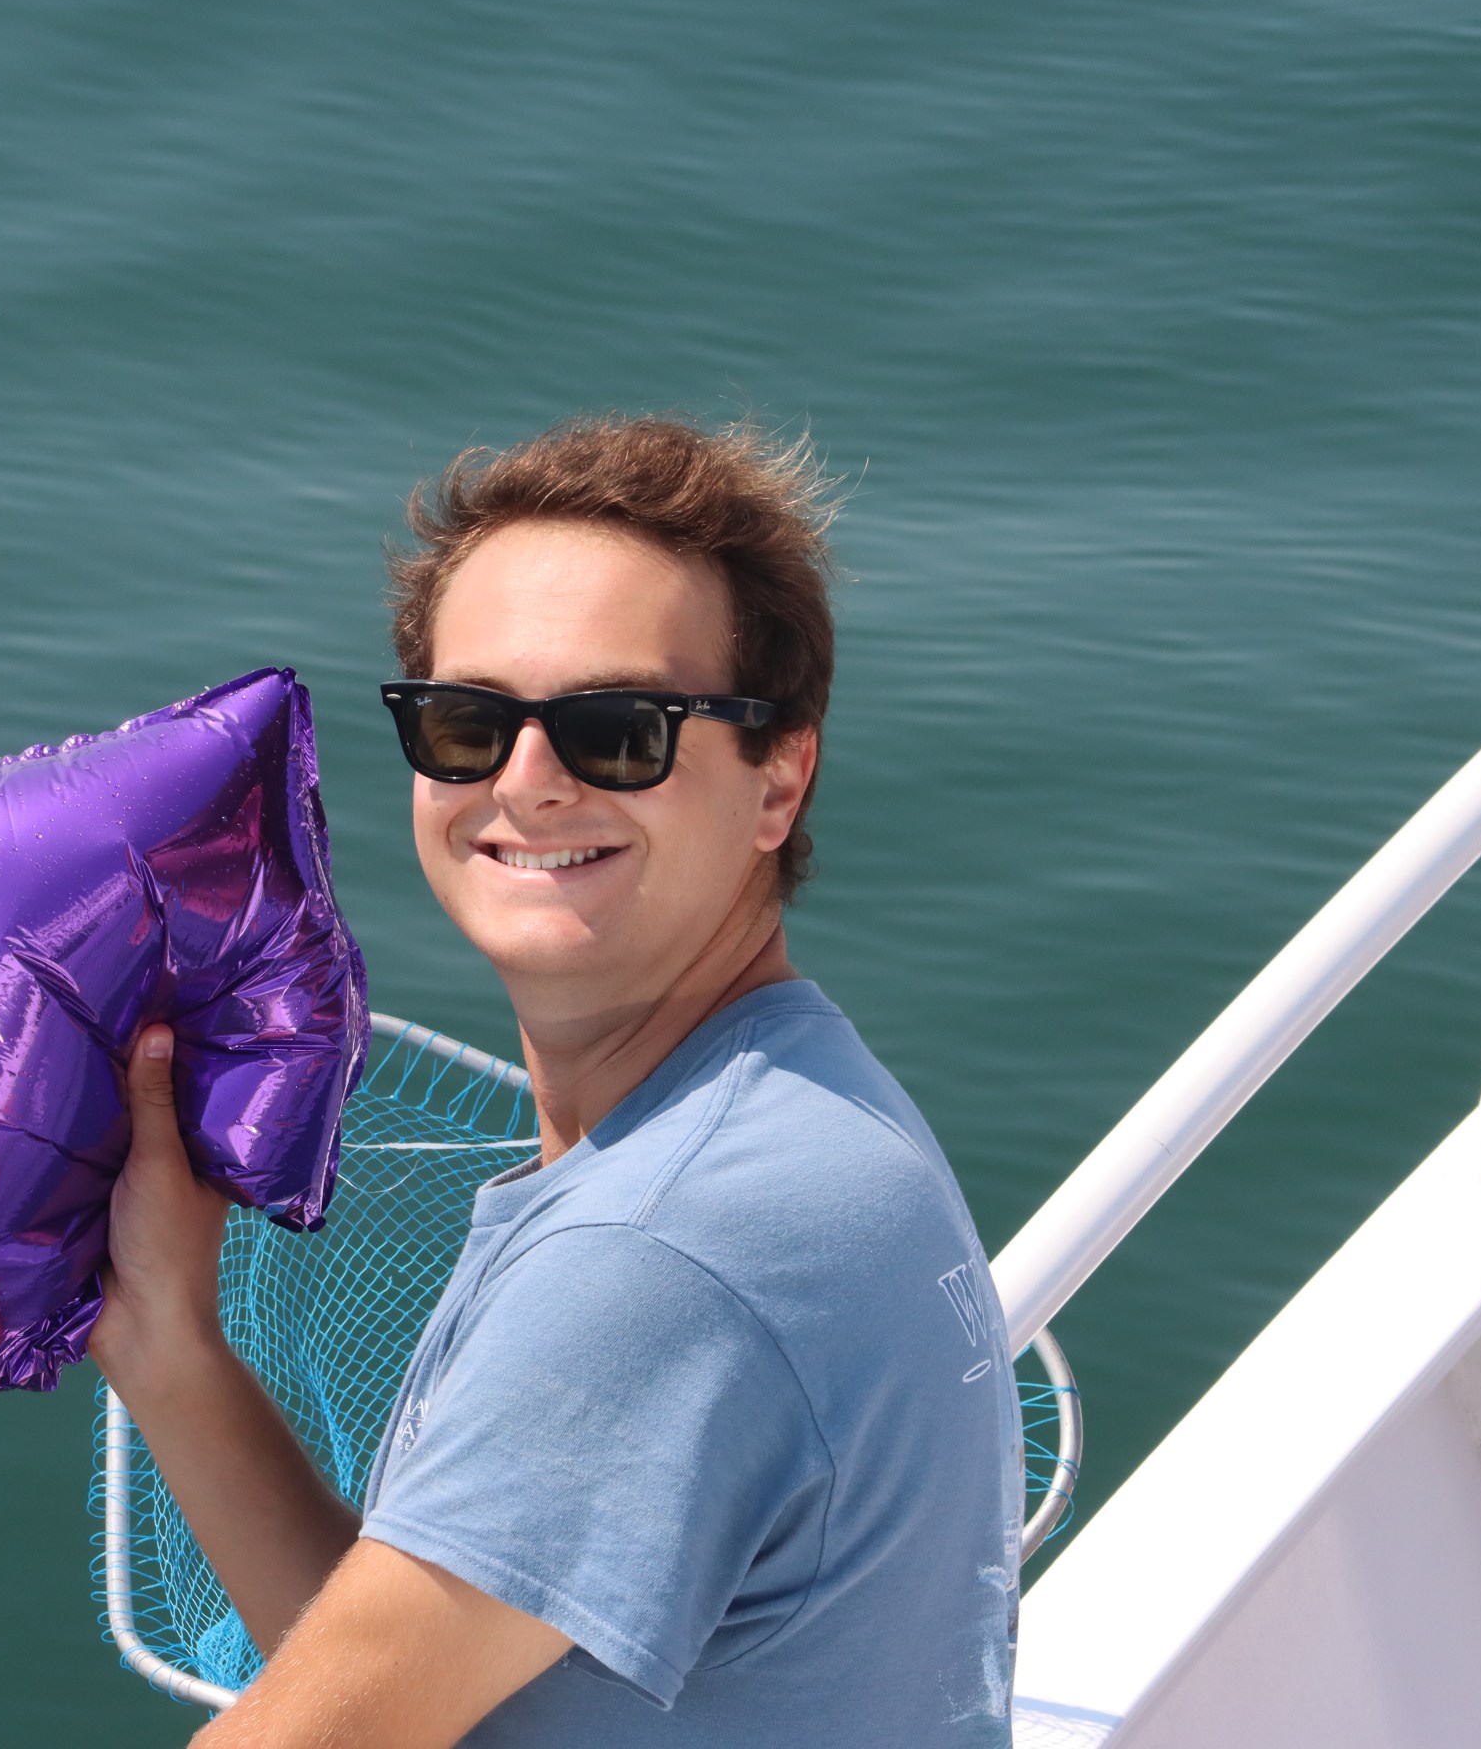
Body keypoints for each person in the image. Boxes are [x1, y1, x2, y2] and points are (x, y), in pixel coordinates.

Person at [90, 415, 1022, 1748]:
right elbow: (415, 1691)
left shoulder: (659, 1256)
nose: (526, 784)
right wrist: (168, 1345)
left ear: (781, 776)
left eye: (616, 729)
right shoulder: (794, 1106)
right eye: (468, 723)